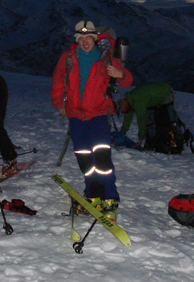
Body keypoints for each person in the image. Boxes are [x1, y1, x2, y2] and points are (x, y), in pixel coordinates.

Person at [51, 20, 133, 221]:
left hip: (98, 115)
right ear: (77, 40)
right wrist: (59, 104)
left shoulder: (106, 58)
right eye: (82, 38)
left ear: (95, 39)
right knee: (84, 158)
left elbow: (128, 80)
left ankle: (110, 197)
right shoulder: (68, 58)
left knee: (102, 157)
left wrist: (119, 73)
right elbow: (57, 83)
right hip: (76, 117)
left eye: (89, 38)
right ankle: (93, 194)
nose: (86, 42)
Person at [117, 82, 175, 149]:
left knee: (162, 119)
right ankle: (156, 139)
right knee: (153, 118)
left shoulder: (138, 100)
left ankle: (168, 141)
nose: (127, 113)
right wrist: (123, 133)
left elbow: (141, 119)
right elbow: (128, 116)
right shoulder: (130, 99)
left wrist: (140, 139)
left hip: (165, 93)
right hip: (161, 89)